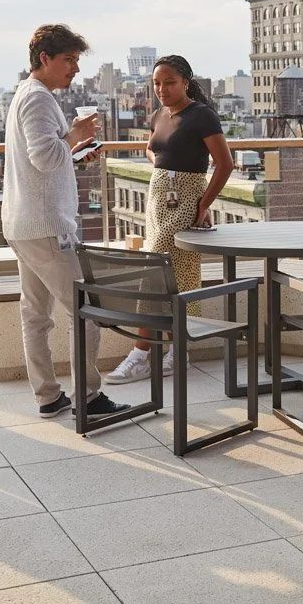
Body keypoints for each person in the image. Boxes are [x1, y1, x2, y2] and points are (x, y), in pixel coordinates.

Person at [2, 24, 126, 421]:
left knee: (36, 315)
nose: (75, 68)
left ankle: (48, 396)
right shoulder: (38, 99)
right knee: (85, 308)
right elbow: (44, 156)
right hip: (45, 226)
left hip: (23, 223)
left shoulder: (27, 94)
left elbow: (47, 159)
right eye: (69, 59)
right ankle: (88, 397)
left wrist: (74, 154)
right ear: (45, 59)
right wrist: (75, 136)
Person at [105, 54, 233, 384]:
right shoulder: (160, 114)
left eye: (169, 82)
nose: (162, 89)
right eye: (157, 83)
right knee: (175, 276)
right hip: (158, 200)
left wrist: (202, 205)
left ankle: (141, 353)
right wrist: (163, 164)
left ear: (186, 83)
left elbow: (225, 163)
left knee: (159, 274)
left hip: (184, 200)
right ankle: (177, 351)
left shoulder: (201, 115)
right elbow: (151, 147)